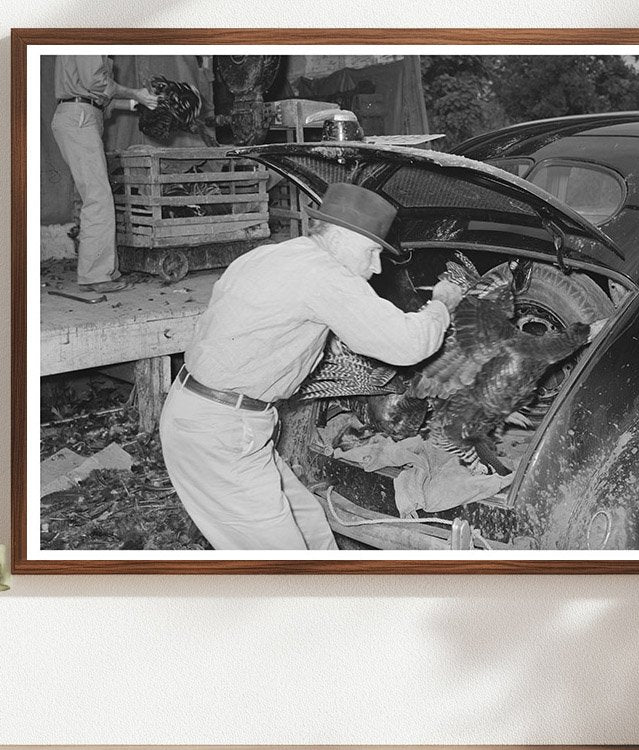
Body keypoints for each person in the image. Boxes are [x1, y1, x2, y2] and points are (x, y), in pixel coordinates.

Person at [159, 182, 464, 550]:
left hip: (219, 416)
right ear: (343, 236)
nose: (375, 265)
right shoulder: (325, 274)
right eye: (371, 251)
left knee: (310, 531)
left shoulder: (274, 255)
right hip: (219, 431)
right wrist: (442, 305)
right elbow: (407, 344)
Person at [50, 55, 159, 292]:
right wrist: (135, 93)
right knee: (98, 197)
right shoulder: (86, 36)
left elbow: (99, 98)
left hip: (83, 114)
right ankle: (96, 276)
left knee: (95, 195)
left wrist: (139, 103)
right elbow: (95, 83)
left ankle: (97, 272)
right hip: (79, 118)